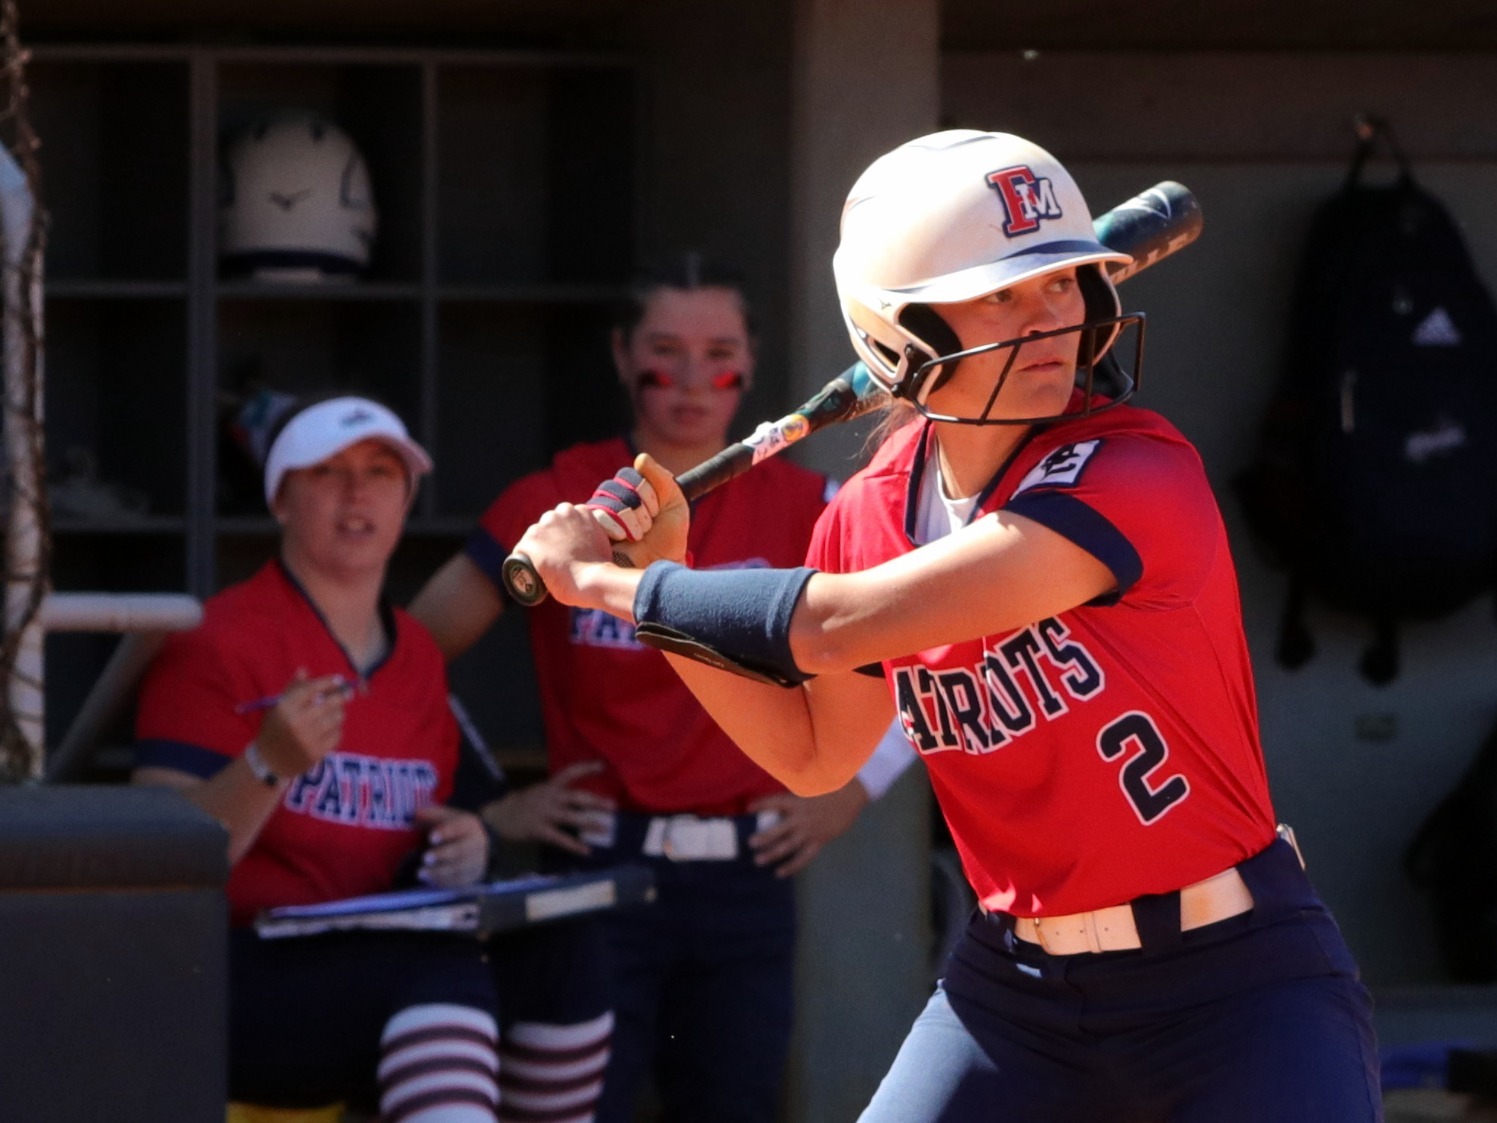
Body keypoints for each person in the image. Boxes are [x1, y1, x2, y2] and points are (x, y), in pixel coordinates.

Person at [510, 130, 1382, 1122]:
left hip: (1230, 986)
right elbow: (811, 754)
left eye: (1061, 282)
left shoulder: (1134, 470)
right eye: (1004, 293)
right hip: (1016, 998)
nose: (1051, 316)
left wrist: (605, 585)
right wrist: (665, 576)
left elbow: (835, 627)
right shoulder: (868, 512)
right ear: (901, 332)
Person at [411, 259, 914, 1123]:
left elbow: (923, 645)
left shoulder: (814, 504)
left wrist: (855, 788)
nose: (690, 381)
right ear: (620, 356)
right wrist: (497, 809)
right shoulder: (561, 505)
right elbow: (401, 660)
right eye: (663, 353)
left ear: (751, 364)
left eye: (718, 355)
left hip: (747, 875)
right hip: (600, 872)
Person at [133, 396, 612, 1123]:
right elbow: (153, 867)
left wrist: (466, 844)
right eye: (329, 472)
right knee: (440, 974)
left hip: (374, 955)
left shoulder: (416, 654)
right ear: (281, 498)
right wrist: (267, 764)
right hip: (232, 972)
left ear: (406, 497)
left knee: (569, 955)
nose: (358, 494)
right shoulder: (220, 638)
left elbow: (449, 820)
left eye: (381, 472)